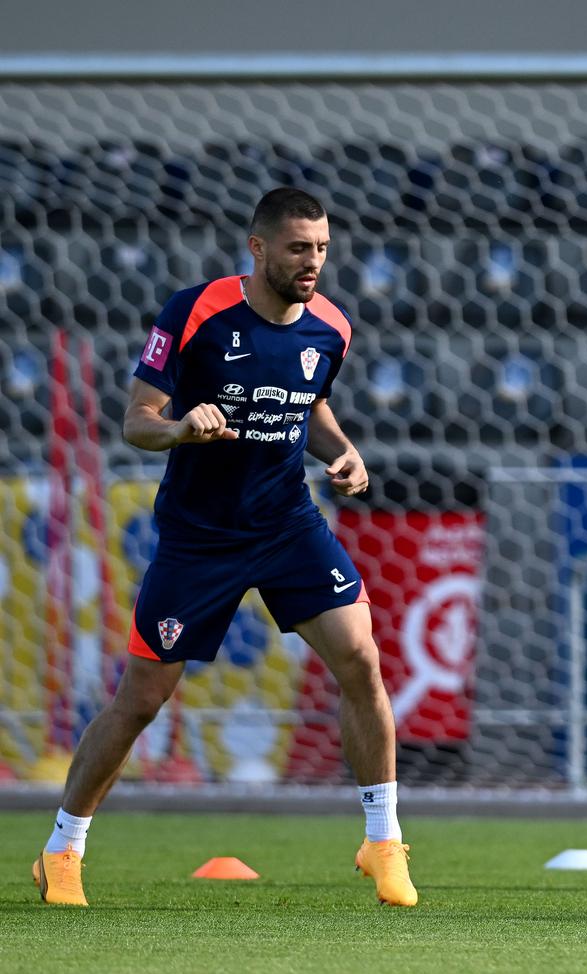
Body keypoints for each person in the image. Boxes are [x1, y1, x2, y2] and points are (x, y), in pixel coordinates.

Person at [32, 188, 418, 908]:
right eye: (300, 248)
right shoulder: (195, 311)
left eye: (324, 248)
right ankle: (63, 847)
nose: (314, 262)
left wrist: (346, 452)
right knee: (141, 700)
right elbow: (137, 422)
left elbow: (313, 404)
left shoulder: (331, 327)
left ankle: (382, 838)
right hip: (199, 538)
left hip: (287, 526)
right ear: (259, 247)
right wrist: (181, 426)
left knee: (361, 657)